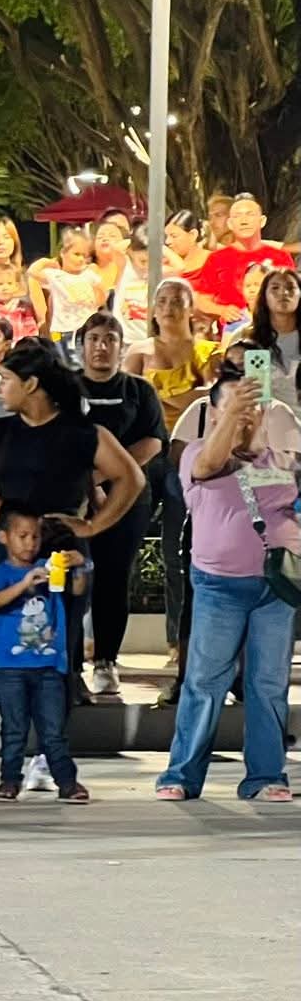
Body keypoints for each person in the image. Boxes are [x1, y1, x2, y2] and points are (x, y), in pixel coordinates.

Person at [0, 339, 146, 789]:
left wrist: (92, 526)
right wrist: (16, 527)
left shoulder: (85, 433)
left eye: (6, 380)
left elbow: (130, 479)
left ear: (32, 384)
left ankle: (47, 757)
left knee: (56, 659)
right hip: (8, 561)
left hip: (64, 558)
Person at [158, 364, 296, 802]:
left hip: (275, 589)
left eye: (252, 406)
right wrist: (233, 415)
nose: (245, 413)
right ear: (213, 414)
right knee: (204, 681)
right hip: (219, 587)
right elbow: (211, 465)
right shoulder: (197, 455)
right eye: (234, 406)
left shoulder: (281, 462)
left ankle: (266, 776)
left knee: (268, 684)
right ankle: (181, 775)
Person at [74, 312, 165, 698]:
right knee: (71, 578)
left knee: (113, 578)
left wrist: (108, 477)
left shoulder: (139, 390)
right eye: (94, 338)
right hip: (74, 498)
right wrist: (85, 483)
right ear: (81, 346)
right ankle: (69, 666)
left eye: (110, 339)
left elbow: (153, 442)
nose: (101, 346)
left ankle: (106, 661)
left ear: (120, 346)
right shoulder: (65, 388)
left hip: (127, 497)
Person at [126, 277, 216, 661]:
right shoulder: (139, 350)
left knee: (179, 550)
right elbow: (130, 398)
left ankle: (178, 639)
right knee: (125, 544)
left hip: (186, 454)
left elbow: (212, 395)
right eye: (162, 300)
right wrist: (181, 396)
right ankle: (103, 640)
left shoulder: (208, 351)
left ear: (191, 307)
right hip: (146, 453)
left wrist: (157, 394)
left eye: (177, 300)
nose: (168, 307)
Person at [0, 506, 88, 804]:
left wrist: (81, 565)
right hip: (10, 667)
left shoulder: (49, 567)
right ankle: (9, 780)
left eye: (36, 536)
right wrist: (24, 584)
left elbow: (77, 590)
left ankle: (67, 782)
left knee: (53, 730)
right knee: (13, 728)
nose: (30, 543)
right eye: (23, 536)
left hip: (49, 665)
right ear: (4, 537)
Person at [192, 192, 294, 323]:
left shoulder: (280, 257)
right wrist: (221, 310)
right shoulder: (216, 258)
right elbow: (202, 300)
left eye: (250, 214)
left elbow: (292, 295)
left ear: (262, 221)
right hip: (232, 330)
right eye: (237, 216)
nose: (244, 221)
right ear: (230, 223)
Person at [29, 228, 104, 344]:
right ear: (63, 253)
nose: (81, 259)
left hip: (86, 330)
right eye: (77, 254)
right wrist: (45, 261)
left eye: (85, 256)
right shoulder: (56, 276)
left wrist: (93, 301)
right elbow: (32, 272)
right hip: (62, 331)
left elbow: (101, 297)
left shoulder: (89, 275)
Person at [241, 265, 301, 409]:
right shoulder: (245, 338)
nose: (283, 293)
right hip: (264, 417)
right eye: (275, 288)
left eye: (290, 288)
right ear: (264, 296)